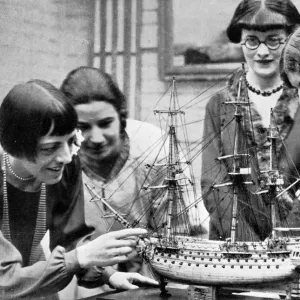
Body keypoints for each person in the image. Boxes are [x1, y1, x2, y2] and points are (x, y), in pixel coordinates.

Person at [0, 79, 158, 300]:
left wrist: (110, 275)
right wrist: (82, 257)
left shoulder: (66, 166)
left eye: (70, 141)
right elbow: (5, 281)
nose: (65, 156)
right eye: (50, 147)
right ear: (16, 145)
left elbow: (70, 237)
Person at [60, 66, 205, 297]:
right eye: (83, 127)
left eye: (106, 123)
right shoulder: (61, 161)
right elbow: (64, 242)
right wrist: (104, 273)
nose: (96, 138)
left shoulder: (156, 149)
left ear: (122, 115)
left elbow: (182, 235)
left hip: (159, 275)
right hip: (87, 276)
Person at [201, 0, 300, 242]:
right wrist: (249, 245)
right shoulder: (219, 105)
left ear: (290, 39)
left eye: (274, 39)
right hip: (233, 246)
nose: (263, 51)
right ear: (241, 40)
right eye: (252, 40)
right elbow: (213, 184)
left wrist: (286, 239)